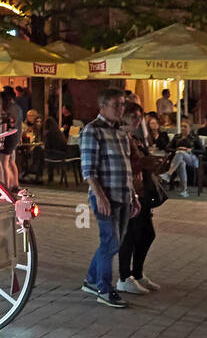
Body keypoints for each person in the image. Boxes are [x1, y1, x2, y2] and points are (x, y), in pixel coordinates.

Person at [80, 87, 139, 308]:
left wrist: (133, 194)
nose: (121, 109)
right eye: (117, 105)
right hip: (105, 196)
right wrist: (100, 196)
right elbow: (88, 170)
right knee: (110, 241)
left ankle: (91, 279)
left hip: (123, 194)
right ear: (103, 106)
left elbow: (127, 168)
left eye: (123, 104)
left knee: (114, 243)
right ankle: (104, 288)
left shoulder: (121, 132)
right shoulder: (92, 130)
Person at [118, 101, 164, 295]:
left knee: (147, 234)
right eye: (134, 117)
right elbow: (122, 167)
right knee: (130, 236)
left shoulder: (133, 138)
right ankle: (124, 277)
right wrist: (143, 163)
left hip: (142, 191)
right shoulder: (121, 138)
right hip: (129, 192)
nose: (139, 121)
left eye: (140, 117)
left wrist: (153, 163)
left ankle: (137, 273)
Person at [0, 86, 21, 191]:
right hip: (12, 138)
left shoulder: (3, 112)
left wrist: (1, 141)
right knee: (7, 163)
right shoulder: (13, 110)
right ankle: (8, 185)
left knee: (3, 164)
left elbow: (3, 128)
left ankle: (5, 187)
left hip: (7, 139)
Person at [159, 119, 199, 196]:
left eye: (185, 126)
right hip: (178, 158)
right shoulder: (177, 137)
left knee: (180, 154)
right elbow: (167, 148)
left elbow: (202, 150)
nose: (183, 128)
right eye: (182, 126)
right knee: (181, 163)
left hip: (192, 159)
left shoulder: (194, 137)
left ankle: (168, 174)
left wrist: (189, 149)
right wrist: (177, 149)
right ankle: (184, 189)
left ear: (190, 128)